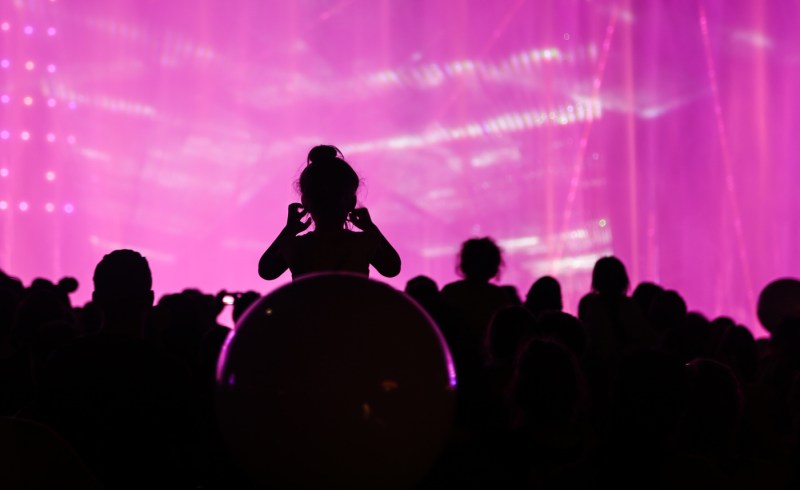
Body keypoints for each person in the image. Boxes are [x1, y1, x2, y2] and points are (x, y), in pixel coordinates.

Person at [259, 145, 400, 280]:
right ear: (352, 202)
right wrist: (370, 227)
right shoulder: (364, 242)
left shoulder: (295, 246)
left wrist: (289, 230)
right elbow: (392, 268)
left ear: (305, 202)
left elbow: (266, 271)